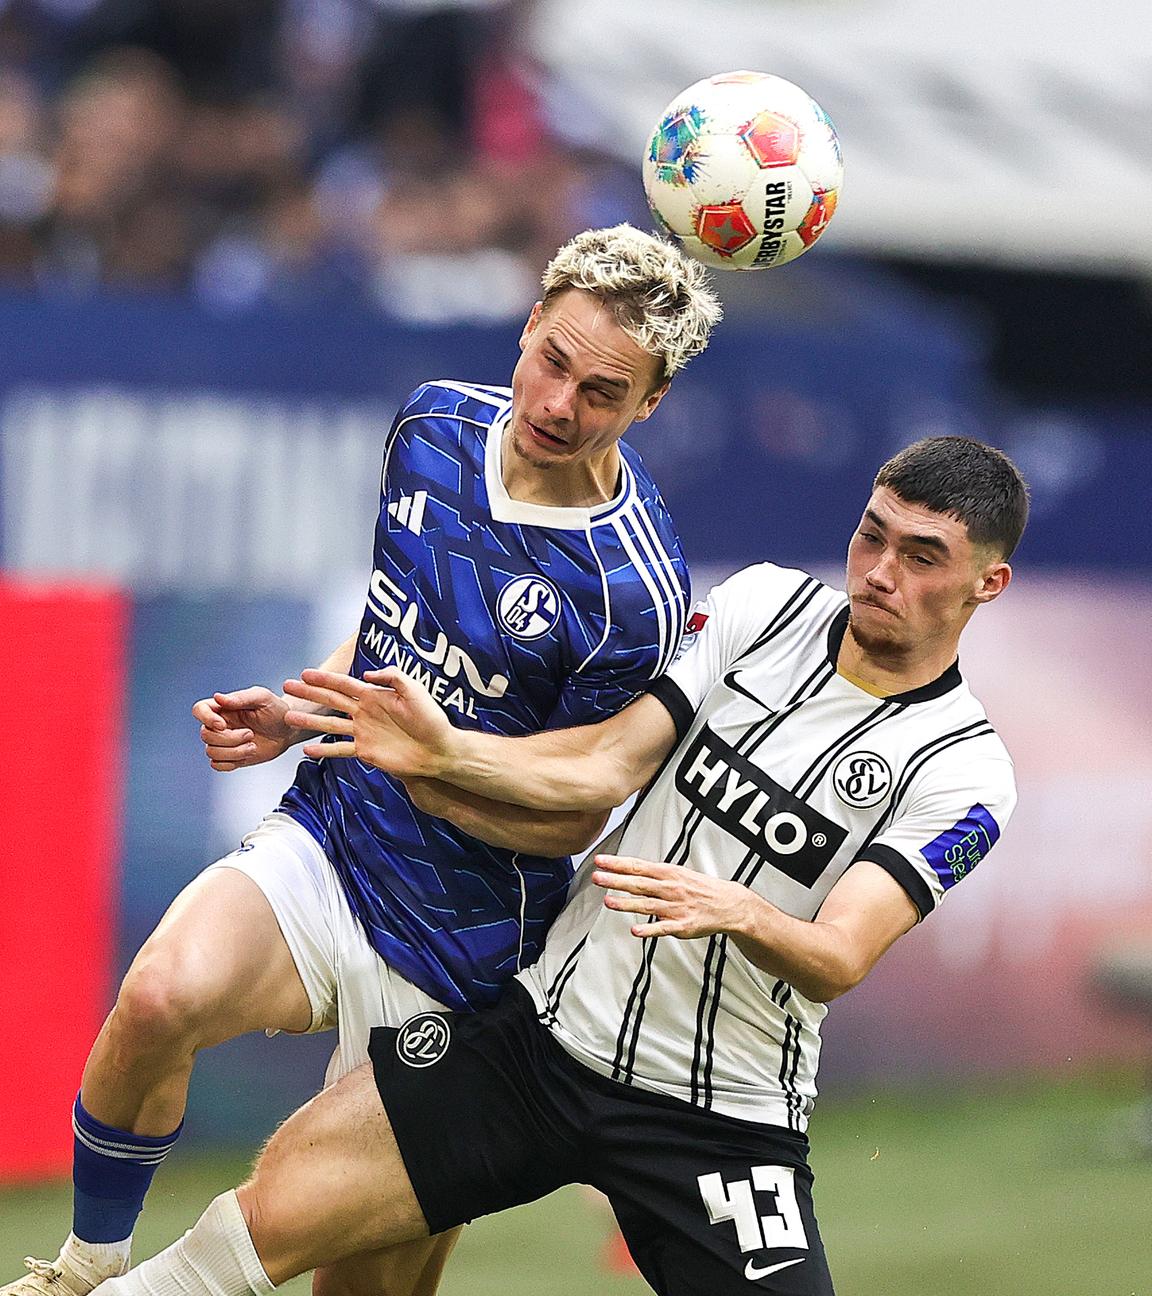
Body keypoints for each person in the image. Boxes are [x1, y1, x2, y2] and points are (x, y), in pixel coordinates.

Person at [79, 435, 1028, 1296]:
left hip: (717, 1117)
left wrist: (741, 911)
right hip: (539, 1042)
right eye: (873, 536)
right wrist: (440, 756)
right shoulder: (763, 606)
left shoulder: (965, 769)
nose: (880, 572)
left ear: (989, 583)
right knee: (263, 1229)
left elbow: (840, 953)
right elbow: (610, 760)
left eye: (921, 557)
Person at [4, 225, 722, 1296]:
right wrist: (307, 707)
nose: (561, 401)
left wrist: (436, 761)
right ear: (528, 325)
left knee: (367, 1286)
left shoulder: (631, 591)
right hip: (335, 842)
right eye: (553, 359)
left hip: (463, 951)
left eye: (603, 391)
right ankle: (81, 1270)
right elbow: (398, 628)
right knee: (159, 997)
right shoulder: (431, 423)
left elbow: (572, 816)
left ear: (650, 404)